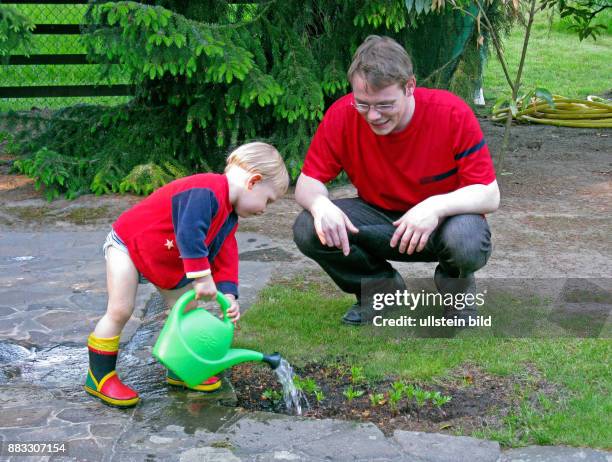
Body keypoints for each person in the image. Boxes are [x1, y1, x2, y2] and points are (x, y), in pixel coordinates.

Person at [293, 35, 500, 326]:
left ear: (410, 87)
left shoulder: (451, 113)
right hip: (380, 222)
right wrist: (319, 204)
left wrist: (434, 207)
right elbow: (307, 182)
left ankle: (458, 296)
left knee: (466, 240)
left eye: (385, 105)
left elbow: (490, 195)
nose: (373, 115)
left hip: (443, 226)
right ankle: (381, 292)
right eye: (363, 104)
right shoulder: (342, 114)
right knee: (307, 227)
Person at [85, 142, 289, 407]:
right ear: (253, 181)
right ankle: (99, 378)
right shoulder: (206, 191)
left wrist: (228, 293)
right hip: (129, 246)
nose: (264, 209)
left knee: (188, 308)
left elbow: (226, 253)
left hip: (165, 259)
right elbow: (189, 233)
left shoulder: (228, 215)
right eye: (268, 200)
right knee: (120, 310)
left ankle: (181, 367)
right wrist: (202, 278)